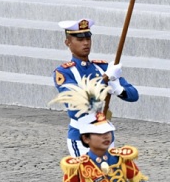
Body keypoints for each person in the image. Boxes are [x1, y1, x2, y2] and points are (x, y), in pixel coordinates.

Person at [52, 18, 138, 157]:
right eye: (80, 39)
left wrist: (119, 89)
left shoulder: (101, 67)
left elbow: (134, 95)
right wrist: (105, 80)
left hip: (105, 135)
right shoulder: (64, 72)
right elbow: (76, 107)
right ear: (68, 42)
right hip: (82, 137)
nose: (86, 43)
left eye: (88, 38)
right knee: (88, 171)